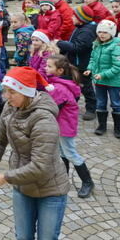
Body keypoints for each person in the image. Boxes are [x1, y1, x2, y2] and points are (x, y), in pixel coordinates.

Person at [0, 66, 73, 240]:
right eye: (5, 91)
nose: (6, 97)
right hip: (23, 186)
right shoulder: (11, 107)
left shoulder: (44, 119)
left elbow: (41, 166)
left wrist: (5, 177)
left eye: (11, 92)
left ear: (26, 92)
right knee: (23, 237)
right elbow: (0, 138)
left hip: (50, 189)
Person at [45, 55, 94, 198]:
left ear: (59, 71)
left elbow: (53, 108)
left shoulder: (59, 88)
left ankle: (88, 182)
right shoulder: (59, 83)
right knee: (61, 153)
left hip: (65, 126)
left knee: (70, 153)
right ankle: (63, 178)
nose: (45, 68)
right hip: (60, 125)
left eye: (49, 66)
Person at [85, 20, 120, 138]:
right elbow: (93, 59)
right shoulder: (96, 44)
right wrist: (90, 69)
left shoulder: (116, 47)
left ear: (112, 34)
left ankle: (118, 128)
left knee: (116, 103)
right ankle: (101, 125)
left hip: (113, 81)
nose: (102, 35)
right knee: (101, 103)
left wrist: (103, 74)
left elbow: (118, 66)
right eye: (100, 32)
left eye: (105, 32)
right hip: (99, 80)